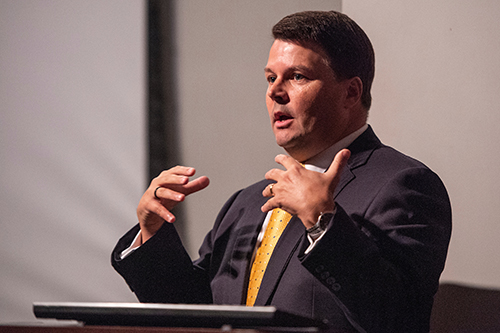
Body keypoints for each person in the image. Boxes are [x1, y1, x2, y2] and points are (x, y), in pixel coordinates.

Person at [112, 11, 451, 332]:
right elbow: (196, 313)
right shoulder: (244, 203)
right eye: (271, 78)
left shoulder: (404, 184)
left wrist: (323, 221)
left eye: (297, 77)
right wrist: (151, 233)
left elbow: (401, 319)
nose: (274, 91)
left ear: (351, 92)